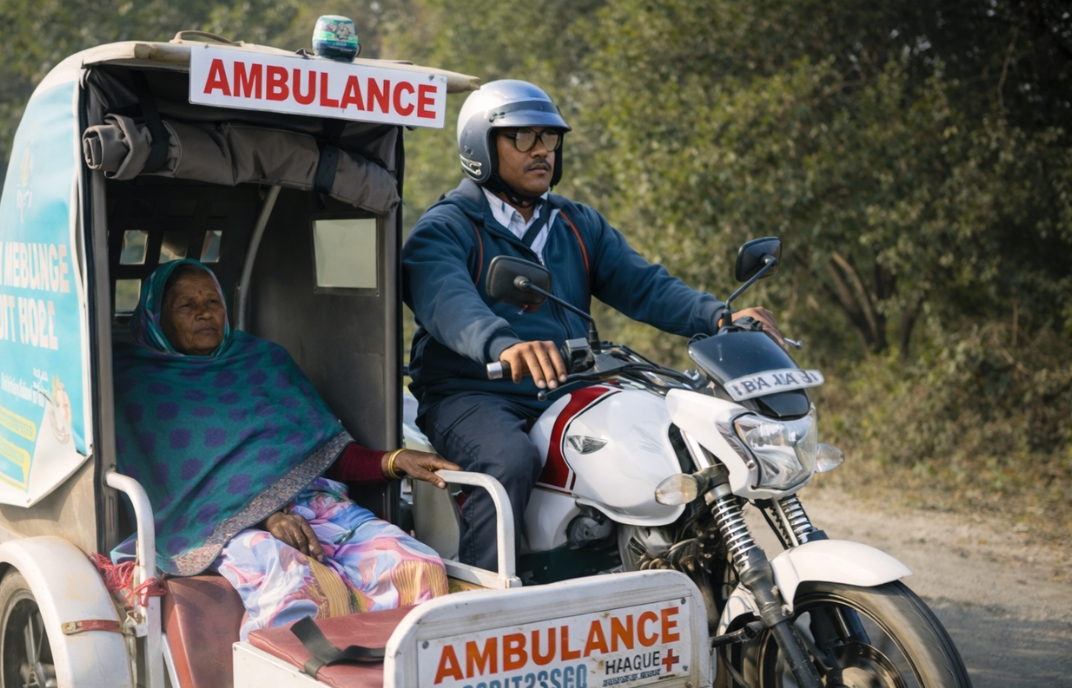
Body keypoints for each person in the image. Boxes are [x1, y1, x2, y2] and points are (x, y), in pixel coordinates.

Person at [403, 80, 783, 572]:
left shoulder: (575, 223)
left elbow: (644, 285)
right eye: (523, 138)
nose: (541, 150)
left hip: (569, 381)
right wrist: (502, 345)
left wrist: (716, 316)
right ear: (480, 146)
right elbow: (446, 301)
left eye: (549, 139)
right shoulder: (446, 227)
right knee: (507, 461)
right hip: (475, 393)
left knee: (676, 442)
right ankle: (487, 603)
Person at [112, 259, 455, 640]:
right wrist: (263, 518)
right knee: (300, 590)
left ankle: (399, 678)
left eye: (213, 302)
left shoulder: (263, 361)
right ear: (156, 318)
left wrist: (394, 461)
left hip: (315, 504)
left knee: (416, 564)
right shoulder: (138, 385)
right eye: (187, 306)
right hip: (219, 528)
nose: (205, 313)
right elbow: (170, 488)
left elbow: (325, 452)